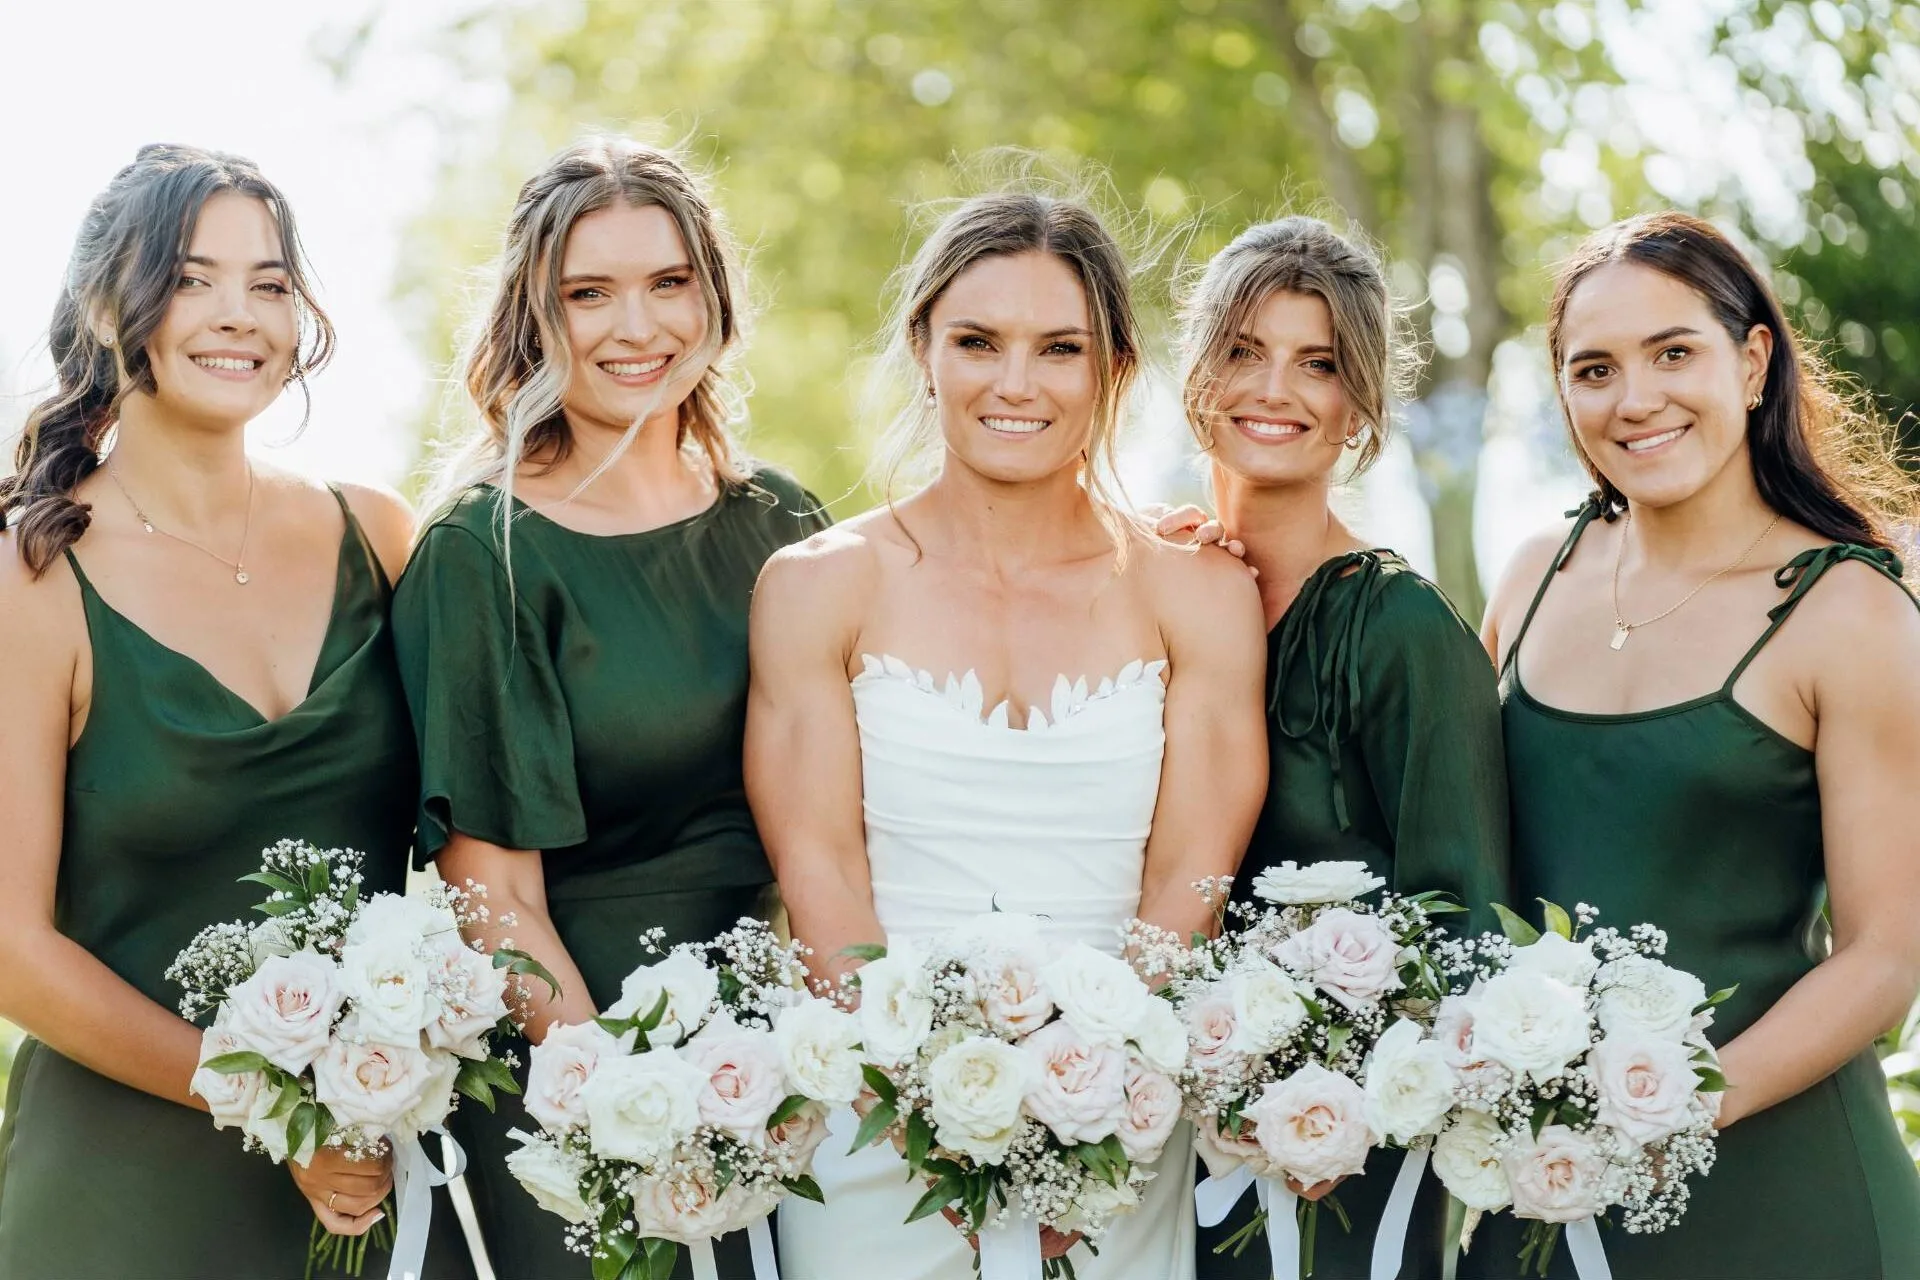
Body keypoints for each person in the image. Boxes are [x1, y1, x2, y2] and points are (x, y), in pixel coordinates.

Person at [754, 188, 1269, 1280]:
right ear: (924, 349)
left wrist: (1090, 1102)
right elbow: (818, 867)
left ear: (1112, 369)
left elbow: (1192, 873)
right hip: (876, 1124)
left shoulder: (1197, 591)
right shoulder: (818, 584)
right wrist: (929, 1105)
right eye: (978, 341)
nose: (1016, 383)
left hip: (1115, 1123)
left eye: (1060, 348)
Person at [0, 144, 471, 1278]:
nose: (239, 314)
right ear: (113, 303)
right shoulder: (32, 575)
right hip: (122, 1195)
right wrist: (270, 1100)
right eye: (194, 276)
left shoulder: (382, 535)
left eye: (269, 282)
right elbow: (8, 944)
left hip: (373, 1183)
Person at [390, 136, 828, 1279]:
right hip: (576, 1061)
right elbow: (490, 895)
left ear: (713, 294)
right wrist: (628, 1107)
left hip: (781, 1058)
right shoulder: (481, 552)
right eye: (591, 293)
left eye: (668, 282)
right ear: (537, 317)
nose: (638, 326)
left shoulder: (783, 521)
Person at [1471, 210, 1920, 1279]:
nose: (1636, 400)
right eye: (1594, 369)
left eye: (1673, 352)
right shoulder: (1536, 575)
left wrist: (1664, 1111)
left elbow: (1885, 958)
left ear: (1753, 359)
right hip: (1541, 1195)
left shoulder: (1851, 614)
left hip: (1785, 1199)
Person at [1170, 215, 1510, 1280]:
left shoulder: (1402, 628)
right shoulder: (1146, 588)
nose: (1275, 388)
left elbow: (1463, 918)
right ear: (1196, 372)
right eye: (1243, 350)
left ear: (1358, 402)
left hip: (1332, 1158)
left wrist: (1331, 1096)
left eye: (1317, 363)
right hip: (1140, 1134)